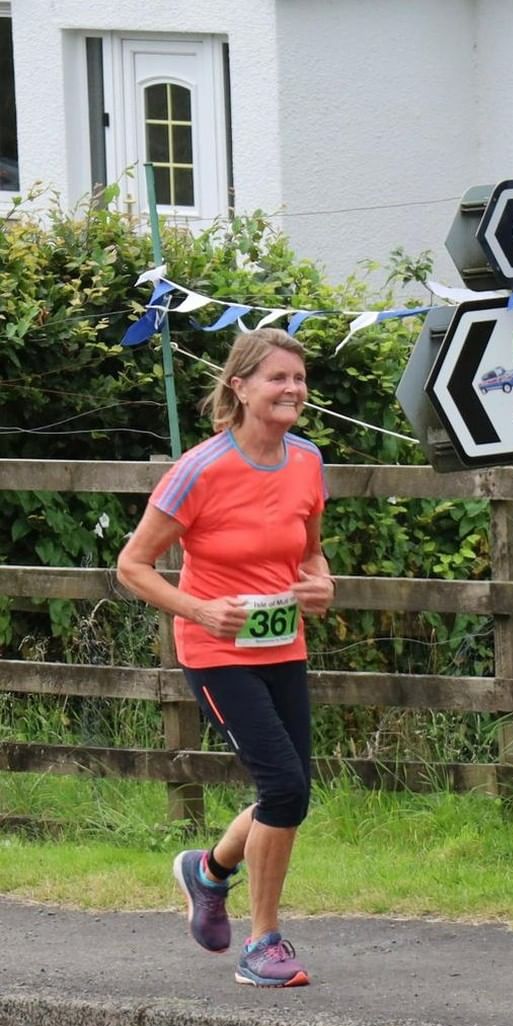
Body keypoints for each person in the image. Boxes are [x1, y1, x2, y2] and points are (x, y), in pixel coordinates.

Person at [117, 327, 334, 988]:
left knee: (287, 792)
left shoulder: (307, 460)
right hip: (216, 651)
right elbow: (133, 565)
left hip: (282, 645)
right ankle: (262, 944)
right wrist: (200, 610)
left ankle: (208, 871)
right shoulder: (200, 469)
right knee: (285, 788)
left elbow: (310, 554)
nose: (292, 389)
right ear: (239, 387)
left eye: (298, 378)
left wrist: (321, 584)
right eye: (277, 378)